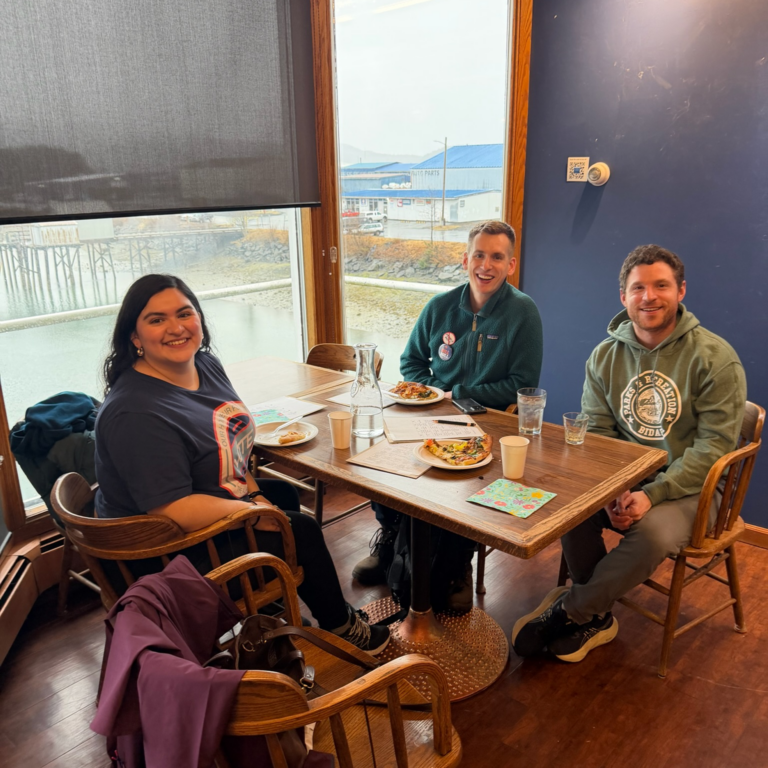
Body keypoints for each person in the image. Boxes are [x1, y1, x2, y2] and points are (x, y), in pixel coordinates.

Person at [94, 273, 389, 654]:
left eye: (185, 313)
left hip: (199, 515)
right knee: (298, 528)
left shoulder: (205, 365)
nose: (176, 327)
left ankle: (282, 601)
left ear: (199, 318)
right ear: (134, 337)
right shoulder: (135, 412)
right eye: (156, 319)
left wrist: (252, 496)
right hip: (163, 553)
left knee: (280, 493)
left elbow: (231, 448)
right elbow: (172, 507)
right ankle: (341, 628)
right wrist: (248, 513)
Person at [512, 244, 746, 662]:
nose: (649, 297)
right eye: (638, 287)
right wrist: (612, 490)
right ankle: (597, 616)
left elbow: (712, 449)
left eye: (661, 286)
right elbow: (598, 434)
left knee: (652, 532)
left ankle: (572, 611)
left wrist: (652, 495)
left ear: (681, 291)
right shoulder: (605, 355)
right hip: (628, 476)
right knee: (571, 504)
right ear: (623, 296)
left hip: (695, 487)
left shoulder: (716, 358)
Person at [353, 220, 544, 610]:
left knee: (462, 485)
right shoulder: (439, 306)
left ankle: (458, 562)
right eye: (479, 255)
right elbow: (411, 362)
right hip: (432, 413)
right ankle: (391, 537)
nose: (485, 265)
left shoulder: (523, 313)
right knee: (382, 461)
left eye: (496, 257)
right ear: (465, 259)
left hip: (488, 418)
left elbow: (521, 384)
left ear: (510, 264)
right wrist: (428, 393)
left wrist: (455, 393)